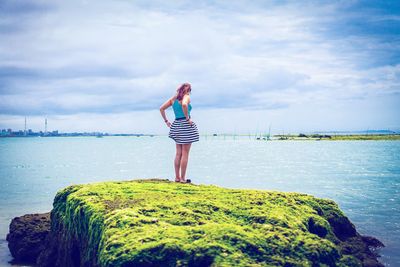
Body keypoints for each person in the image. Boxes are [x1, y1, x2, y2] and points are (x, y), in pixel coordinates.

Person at [159, 82, 199, 183]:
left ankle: (177, 177)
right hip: (185, 125)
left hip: (176, 125)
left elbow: (161, 108)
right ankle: (182, 178)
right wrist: (187, 118)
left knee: (178, 153)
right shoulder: (186, 97)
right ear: (188, 90)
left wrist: (166, 121)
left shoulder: (173, 99)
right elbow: (185, 105)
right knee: (185, 154)